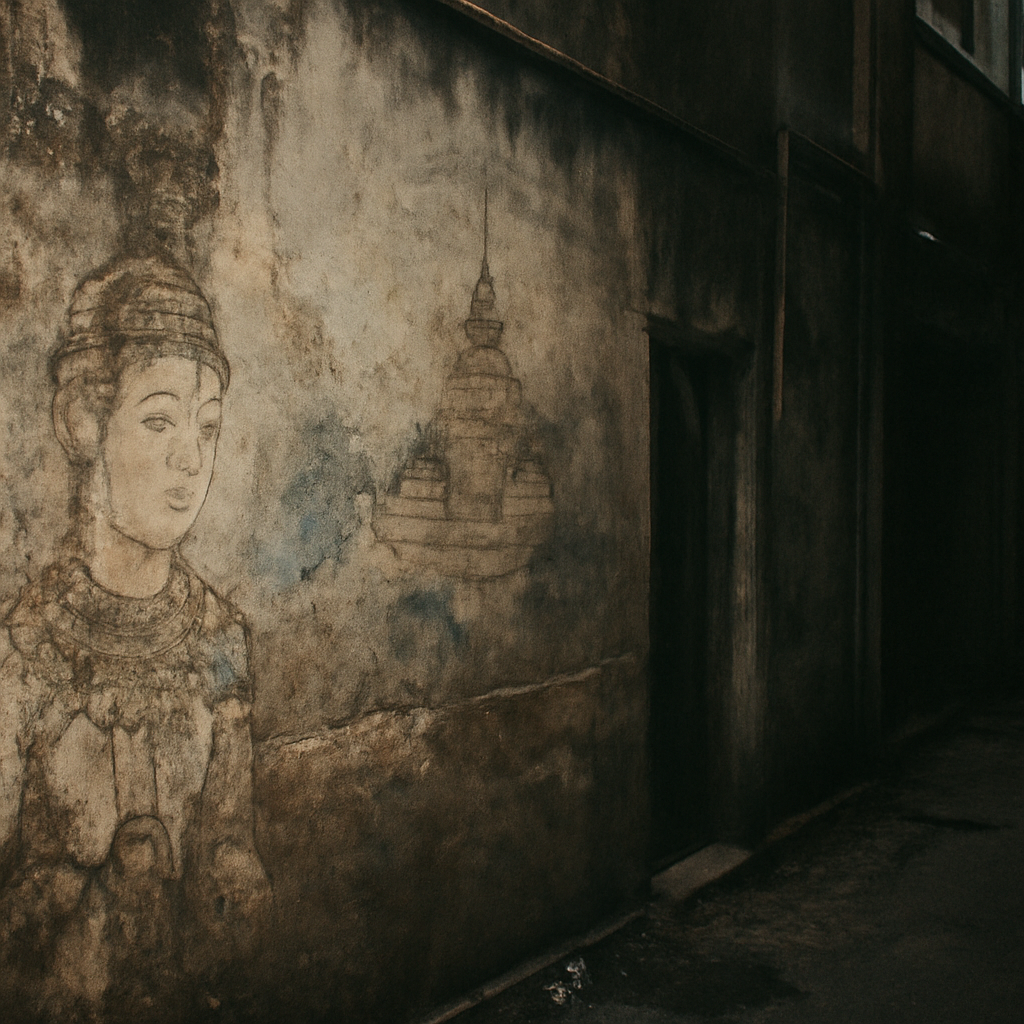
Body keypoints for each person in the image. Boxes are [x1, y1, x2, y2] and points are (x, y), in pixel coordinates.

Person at [0, 252, 269, 1021]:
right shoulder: (24, 655)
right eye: (159, 420)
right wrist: (91, 900)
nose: (192, 457)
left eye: (208, 427)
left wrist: (228, 889)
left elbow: (230, 847)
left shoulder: (220, 638)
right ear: (84, 423)